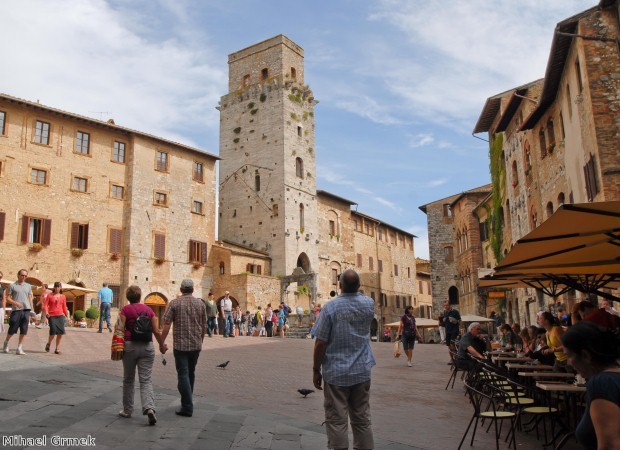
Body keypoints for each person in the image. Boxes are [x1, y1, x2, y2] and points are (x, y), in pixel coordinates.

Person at [313, 269, 375, 450]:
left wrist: (316, 369)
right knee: (362, 418)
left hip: (336, 372)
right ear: (359, 286)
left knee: (337, 420)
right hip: (362, 370)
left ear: (339, 285)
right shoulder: (368, 304)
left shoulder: (330, 308)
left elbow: (320, 342)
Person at [561, 322, 620, 450]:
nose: (568, 363)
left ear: (585, 356)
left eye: (569, 356)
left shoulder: (602, 383)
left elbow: (609, 446)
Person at [161, 279, 207, 417]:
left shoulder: (174, 303)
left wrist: (161, 342)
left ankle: (187, 406)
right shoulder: (200, 304)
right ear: (192, 290)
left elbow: (167, 324)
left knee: (183, 374)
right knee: (190, 372)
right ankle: (187, 401)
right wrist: (201, 341)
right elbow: (204, 326)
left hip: (180, 346)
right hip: (195, 345)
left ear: (181, 289)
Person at [3, 269, 34, 355]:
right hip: (16, 310)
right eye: (22, 275)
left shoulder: (28, 286)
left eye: (25, 276)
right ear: (18, 275)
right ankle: (6, 342)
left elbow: (30, 298)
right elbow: (8, 298)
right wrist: (15, 303)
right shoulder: (12, 285)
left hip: (26, 310)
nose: (23, 277)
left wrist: (32, 310)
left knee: (24, 330)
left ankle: (19, 348)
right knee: (12, 328)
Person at [42, 282, 70, 354]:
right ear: (54, 288)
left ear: (60, 288)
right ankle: (49, 343)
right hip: (52, 316)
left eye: (59, 287)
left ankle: (57, 348)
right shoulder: (50, 295)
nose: (57, 288)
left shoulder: (63, 296)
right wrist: (47, 313)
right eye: (56, 287)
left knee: (60, 333)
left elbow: (64, 307)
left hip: (60, 315)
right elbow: (45, 305)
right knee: (53, 331)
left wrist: (68, 317)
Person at [0, 270, 6, 334]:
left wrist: (4, 309)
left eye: (0, 277)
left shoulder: (3, 287)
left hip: (0, 306)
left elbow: (4, 299)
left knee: (1, 322)